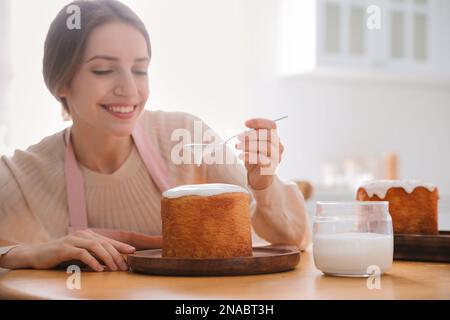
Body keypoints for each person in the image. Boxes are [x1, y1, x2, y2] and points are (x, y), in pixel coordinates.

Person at [0, 0, 310, 272]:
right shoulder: (22, 174)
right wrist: (25, 252)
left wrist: (264, 185)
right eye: (103, 70)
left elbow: (293, 240)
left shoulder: (187, 137)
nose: (129, 89)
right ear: (61, 83)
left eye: (139, 69)